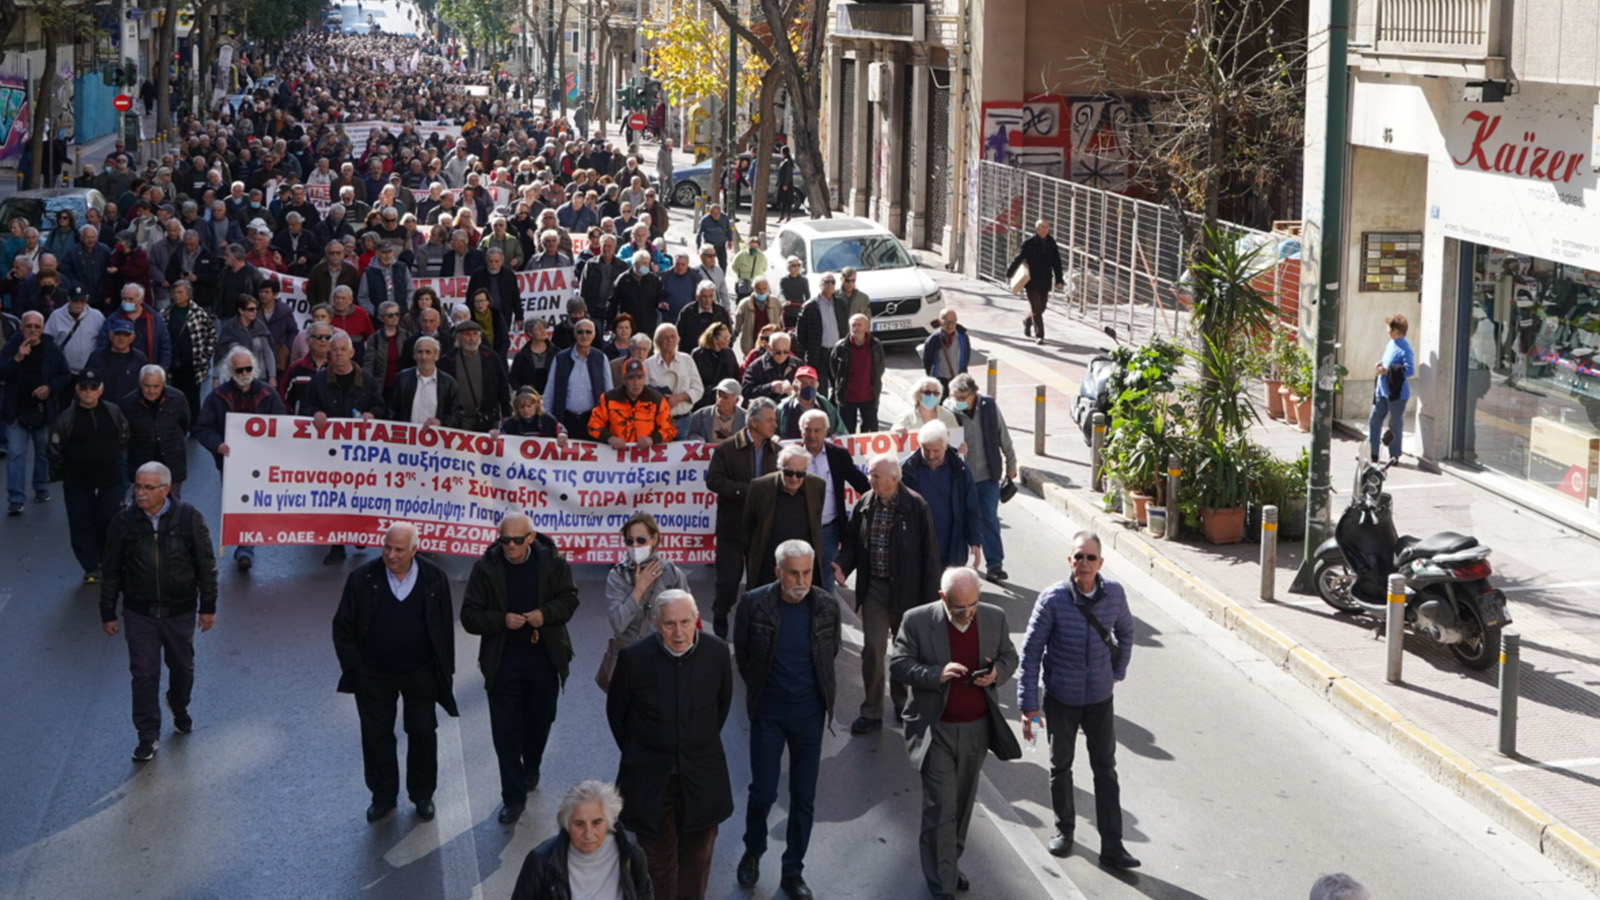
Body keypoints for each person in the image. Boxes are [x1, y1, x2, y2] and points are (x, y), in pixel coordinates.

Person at [889, 567, 1021, 900]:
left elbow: (1009, 656)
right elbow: (899, 664)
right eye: (958, 608)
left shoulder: (994, 617)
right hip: (936, 730)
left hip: (976, 729)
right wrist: (936, 673)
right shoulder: (917, 620)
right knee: (940, 806)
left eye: (972, 607)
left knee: (961, 806)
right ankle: (941, 884)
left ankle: (948, 863)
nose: (966, 614)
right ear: (942, 598)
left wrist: (995, 674)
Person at [1018, 530, 1140, 870]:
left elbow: (1127, 632)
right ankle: (1064, 831)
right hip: (1062, 698)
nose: (1084, 563)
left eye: (1091, 558)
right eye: (1078, 557)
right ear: (1069, 560)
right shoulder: (1053, 599)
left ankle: (1112, 846)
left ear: (1101, 563)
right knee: (1061, 766)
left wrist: (1117, 671)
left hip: (1100, 699)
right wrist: (1029, 707)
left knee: (1106, 769)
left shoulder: (1114, 594)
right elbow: (1030, 654)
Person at [606, 591, 734, 900]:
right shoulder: (633, 659)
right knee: (658, 867)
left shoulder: (717, 654)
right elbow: (618, 715)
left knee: (698, 861)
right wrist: (645, 753)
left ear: (697, 619)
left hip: (701, 778)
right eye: (669, 624)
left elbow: (720, 708)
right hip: (651, 781)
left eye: (685, 622)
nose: (678, 633)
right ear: (655, 624)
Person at [331, 522, 459, 824]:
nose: (390, 554)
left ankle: (422, 794)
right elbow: (343, 628)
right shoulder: (362, 578)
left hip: (420, 672)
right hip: (373, 675)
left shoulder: (434, 578)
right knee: (376, 737)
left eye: (398, 549)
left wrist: (444, 671)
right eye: (387, 547)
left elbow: (443, 628)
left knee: (423, 732)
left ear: (415, 550)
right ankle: (383, 796)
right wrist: (356, 669)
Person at [733, 540, 839, 900]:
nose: (800, 580)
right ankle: (753, 850)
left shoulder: (826, 605)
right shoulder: (754, 603)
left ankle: (793, 871)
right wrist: (765, 693)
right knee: (762, 791)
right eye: (793, 572)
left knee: (803, 797)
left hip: (810, 716)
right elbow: (744, 655)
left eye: (807, 572)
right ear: (778, 572)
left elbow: (831, 650)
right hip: (769, 714)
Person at [460, 513, 580, 825]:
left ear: (530, 538)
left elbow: (570, 600)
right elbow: (470, 616)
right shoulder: (486, 568)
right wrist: (501, 620)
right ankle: (512, 798)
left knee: (540, 719)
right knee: (505, 730)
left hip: (543, 658)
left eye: (516, 540)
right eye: (504, 541)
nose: (510, 546)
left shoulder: (553, 564)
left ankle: (532, 765)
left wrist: (545, 614)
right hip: (503, 662)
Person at [99, 461, 220, 762]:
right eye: (137, 486)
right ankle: (147, 735)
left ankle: (178, 705)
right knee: (143, 674)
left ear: (165, 490)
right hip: (139, 613)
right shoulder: (123, 523)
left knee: (182, 668)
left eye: (148, 487)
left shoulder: (189, 518)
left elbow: (206, 565)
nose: (140, 493)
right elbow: (112, 569)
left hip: (179, 612)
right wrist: (107, 611)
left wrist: (208, 607)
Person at [833, 452, 941, 735]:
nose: (869, 480)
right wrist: (843, 566)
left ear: (894, 479)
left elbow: (930, 557)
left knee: (903, 653)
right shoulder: (865, 503)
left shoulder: (916, 506)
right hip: (875, 590)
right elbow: (853, 543)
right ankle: (871, 711)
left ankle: (903, 704)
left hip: (907, 591)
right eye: (869, 474)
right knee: (873, 648)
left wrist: (931, 605)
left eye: (875, 476)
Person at [195, 347, 286, 571]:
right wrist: (217, 445)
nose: (244, 373)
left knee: (255, 501)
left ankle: (246, 546)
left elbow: (281, 424)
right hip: (231, 462)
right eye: (239, 369)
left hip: (261, 461)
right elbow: (203, 428)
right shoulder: (217, 397)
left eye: (248, 368)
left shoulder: (267, 393)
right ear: (230, 370)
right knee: (239, 501)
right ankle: (244, 546)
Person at [705, 397, 780, 637]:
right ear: (754, 422)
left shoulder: (776, 450)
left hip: (762, 529)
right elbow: (713, 481)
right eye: (769, 420)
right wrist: (745, 491)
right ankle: (720, 612)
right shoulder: (727, 448)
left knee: (759, 582)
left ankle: (752, 624)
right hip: (732, 528)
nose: (774, 425)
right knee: (728, 580)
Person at [509, 780, 654, 900]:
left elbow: (644, 895)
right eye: (579, 824)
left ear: (609, 821)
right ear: (566, 824)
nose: (588, 834)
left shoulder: (630, 852)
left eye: (597, 822)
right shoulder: (540, 861)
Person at [48, 371, 129, 581]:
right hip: (77, 482)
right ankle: (91, 566)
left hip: (110, 478)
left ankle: (109, 560)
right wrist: (66, 471)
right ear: (77, 390)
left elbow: (123, 437)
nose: (88, 392)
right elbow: (54, 448)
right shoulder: (66, 418)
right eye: (84, 388)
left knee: (110, 519)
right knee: (81, 522)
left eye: (93, 388)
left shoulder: (113, 411)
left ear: (101, 389)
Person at [2, 310, 69, 515]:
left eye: (36, 327)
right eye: (28, 326)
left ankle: (41, 487)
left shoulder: (51, 347)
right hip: (16, 412)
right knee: (15, 455)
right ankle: (15, 499)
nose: (32, 330)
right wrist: (17, 358)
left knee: (43, 453)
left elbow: (64, 374)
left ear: (42, 328)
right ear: (21, 327)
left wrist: (49, 388)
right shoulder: (13, 346)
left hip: (44, 412)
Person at [798, 408, 870, 596]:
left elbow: (858, 481)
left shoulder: (838, 455)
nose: (812, 435)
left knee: (826, 581)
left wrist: (882, 492)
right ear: (801, 432)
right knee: (799, 579)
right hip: (798, 529)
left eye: (817, 430)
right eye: (808, 430)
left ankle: (826, 621)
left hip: (828, 530)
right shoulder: (792, 456)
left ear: (826, 431)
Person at [900, 420, 984, 570]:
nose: (931, 456)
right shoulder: (904, 469)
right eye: (926, 450)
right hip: (914, 551)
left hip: (949, 551)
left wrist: (975, 542)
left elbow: (971, 509)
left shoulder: (961, 471)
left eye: (936, 451)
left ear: (945, 446)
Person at [743, 445, 824, 590]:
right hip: (768, 567)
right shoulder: (759, 487)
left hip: (802, 568)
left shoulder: (817, 486)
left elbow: (816, 522)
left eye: (800, 474)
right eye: (788, 473)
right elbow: (748, 526)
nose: (794, 478)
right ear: (779, 468)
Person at [606, 512, 691, 646]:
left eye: (641, 540)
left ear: (654, 539)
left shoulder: (671, 573)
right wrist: (639, 590)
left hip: (663, 651)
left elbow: (687, 619)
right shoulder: (618, 575)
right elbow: (618, 624)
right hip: (629, 652)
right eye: (629, 541)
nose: (635, 546)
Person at [117, 366, 191, 497]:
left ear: (163, 384)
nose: (151, 391)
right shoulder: (127, 404)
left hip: (172, 465)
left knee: (172, 510)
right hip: (141, 467)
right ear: (140, 384)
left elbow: (184, 424)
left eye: (156, 386)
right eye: (147, 386)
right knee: (142, 508)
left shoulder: (178, 398)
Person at [545, 317, 612, 437]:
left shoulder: (601, 358)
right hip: (566, 420)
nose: (584, 335)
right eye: (580, 332)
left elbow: (609, 392)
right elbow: (550, 391)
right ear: (574, 334)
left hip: (593, 421)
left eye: (588, 332)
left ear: (594, 334)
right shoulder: (560, 358)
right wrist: (547, 419)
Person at [588, 357, 675, 448]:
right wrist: (610, 438)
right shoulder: (608, 399)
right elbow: (593, 425)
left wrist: (652, 439)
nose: (636, 383)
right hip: (615, 454)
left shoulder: (657, 400)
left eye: (639, 377)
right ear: (624, 380)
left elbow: (670, 430)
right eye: (631, 378)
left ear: (645, 378)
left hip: (647, 456)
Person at [441, 320, 511, 432]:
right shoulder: (448, 360)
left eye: (475, 334)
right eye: (467, 335)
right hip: (460, 420)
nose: (472, 338)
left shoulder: (491, 357)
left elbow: (502, 386)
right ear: (458, 337)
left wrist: (506, 413)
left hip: (487, 418)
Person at [1006, 219, 1065, 345]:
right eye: (1042, 227)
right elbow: (1018, 258)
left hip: (1045, 280)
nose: (1045, 230)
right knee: (1036, 309)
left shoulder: (1051, 243)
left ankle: (1027, 321)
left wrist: (1059, 279)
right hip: (1031, 281)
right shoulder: (1029, 243)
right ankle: (1040, 336)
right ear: (1036, 229)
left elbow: (1057, 262)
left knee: (1042, 307)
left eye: (1047, 227)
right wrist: (1009, 274)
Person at [387, 336, 461, 428]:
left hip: (435, 438)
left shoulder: (448, 383)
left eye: (428, 352)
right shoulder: (402, 378)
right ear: (414, 355)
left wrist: (441, 421)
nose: (423, 357)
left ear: (436, 355)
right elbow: (391, 410)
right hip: (406, 438)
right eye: (420, 352)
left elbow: (457, 414)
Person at [1369, 313, 1414, 464]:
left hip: (1397, 394)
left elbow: (1409, 370)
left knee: (1394, 424)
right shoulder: (1391, 343)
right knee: (1374, 420)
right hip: (1382, 391)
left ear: (1397, 331)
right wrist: (1380, 363)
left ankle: (1394, 456)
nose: (1387, 331)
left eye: (1389, 329)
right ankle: (1372, 453)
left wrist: (1387, 370)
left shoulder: (1405, 348)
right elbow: (1386, 360)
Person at [830, 313, 885, 433]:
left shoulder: (875, 345)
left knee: (869, 433)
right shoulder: (841, 346)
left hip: (869, 397)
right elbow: (835, 369)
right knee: (847, 432)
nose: (856, 328)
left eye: (859, 325)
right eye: (853, 325)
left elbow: (880, 367)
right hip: (847, 397)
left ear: (866, 327)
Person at [644, 323, 701, 435]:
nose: (669, 340)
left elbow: (698, 389)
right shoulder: (648, 365)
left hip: (684, 422)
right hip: (657, 423)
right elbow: (643, 395)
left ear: (677, 340)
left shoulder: (687, 360)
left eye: (672, 336)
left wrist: (679, 398)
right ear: (657, 342)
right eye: (665, 337)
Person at [775, 365, 843, 439]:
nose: (809, 386)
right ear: (795, 387)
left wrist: (837, 435)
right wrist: (775, 437)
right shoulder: (783, 408)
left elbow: (840, 429)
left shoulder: (825, 405)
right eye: (804, 384)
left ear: (817, 386)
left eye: (812, 383)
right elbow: (772, 432)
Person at [740, 331, 800, 403]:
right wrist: (770, 388)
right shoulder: (756, 366)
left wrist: (795, 390)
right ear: (769, 348)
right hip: (764, 410)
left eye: (786, 352)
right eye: (778, 352)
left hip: (789, 410)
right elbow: (746, 392)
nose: (782, 356)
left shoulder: (797, 364)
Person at [922, 309, 971, 397]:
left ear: (956, 321)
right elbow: (927, 360)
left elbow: (966, 356)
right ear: (940, 323)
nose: (950, 326)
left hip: (957, 379)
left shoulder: (962, 336)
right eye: (946, 322)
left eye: (952, 322)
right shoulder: (934, 339)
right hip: (940, 380)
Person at [685, 378, 746, 444]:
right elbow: (691, 434)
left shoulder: (746, 419)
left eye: (725, 397)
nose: (720, 400)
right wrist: (699, 440)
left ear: (736, 401)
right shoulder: (700, 416)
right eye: (719, 395)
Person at [734, 275, 782, 355]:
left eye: (764, 289)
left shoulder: (775, 302)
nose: (762, 292)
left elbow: (779, 314)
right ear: (754, 289)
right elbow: (738, 322)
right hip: (751, 341)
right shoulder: (745, 304)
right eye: (758, 289)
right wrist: (735, 333)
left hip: (770, 341)